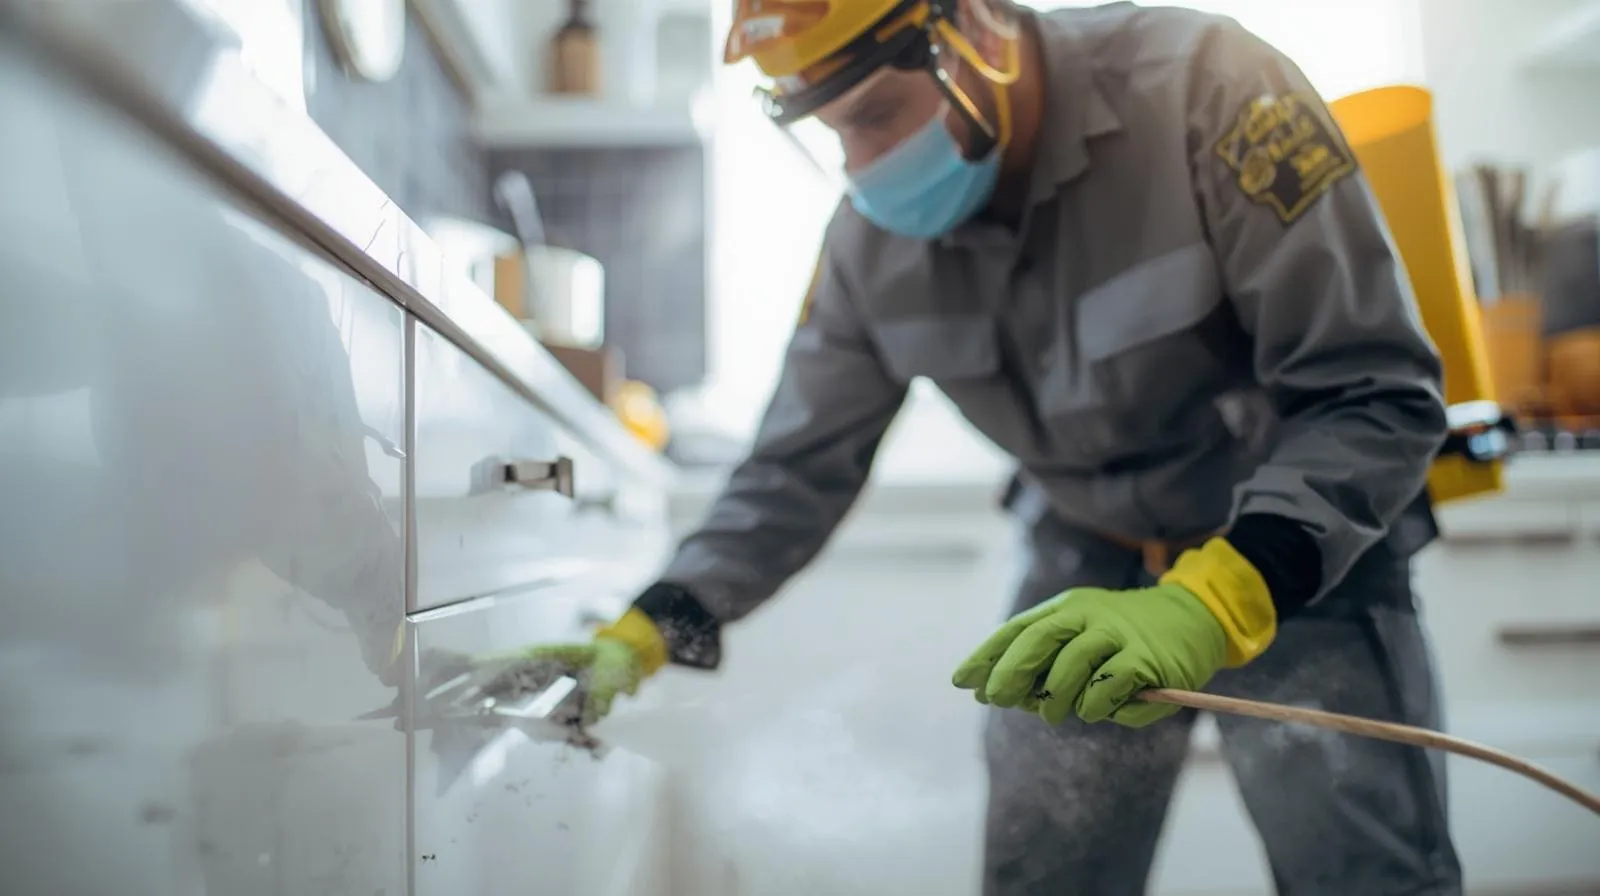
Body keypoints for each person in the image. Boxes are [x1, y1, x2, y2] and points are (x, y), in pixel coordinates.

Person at [538, 1, 1468, 892]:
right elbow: (793, 470)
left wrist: (1218, 599)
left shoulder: (1208, 90)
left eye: (877, 114)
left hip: (1293, 552)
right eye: (833, 133)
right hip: (1089, 558)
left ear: (972, 25)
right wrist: (655, 624)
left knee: (1365, 874)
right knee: (1045, 871)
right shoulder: (869, 246)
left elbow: (1372, 391)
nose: (863, 165)